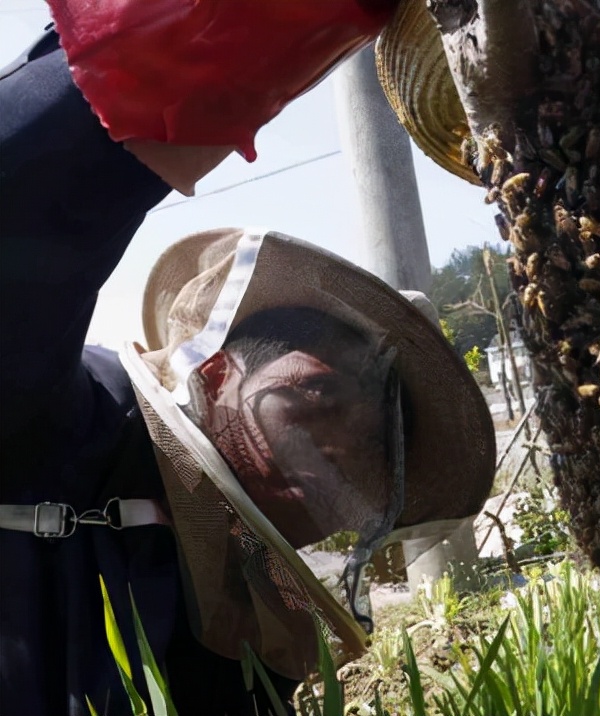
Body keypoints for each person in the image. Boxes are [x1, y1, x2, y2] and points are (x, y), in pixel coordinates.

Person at [0, 3, 494, 714]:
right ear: (217, 374)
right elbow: (32, 202)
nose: (338, 451)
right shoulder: (64, 418)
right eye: (318, 398)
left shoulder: (252, 640)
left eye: (372, 454)